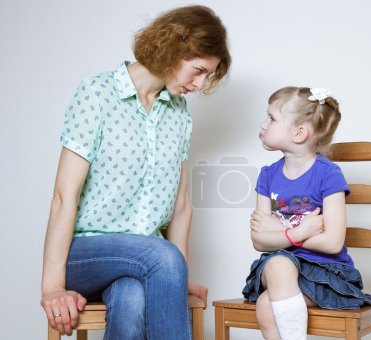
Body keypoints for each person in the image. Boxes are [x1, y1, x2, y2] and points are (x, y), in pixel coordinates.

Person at [40, 5, 231, 339]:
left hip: (149, 261)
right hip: (86, 254)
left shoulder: (178, 112)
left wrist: (174, 275)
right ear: (174, 47)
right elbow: (62, 197)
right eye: (198, 70)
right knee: (162, 256)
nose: (200, 84)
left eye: (208, 76)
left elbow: (181, 205)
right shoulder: (96, 94)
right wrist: (52, 287)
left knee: (132, 299)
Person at [242, 87, 371, 340]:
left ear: (299, 133)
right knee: (278, 264)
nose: (264, 124)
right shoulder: (268, 175)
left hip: (325, 274)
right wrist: (301, 230)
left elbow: (332, 242)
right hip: (279, 271)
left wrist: (279, 230)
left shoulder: (328, 174)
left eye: (272, 118)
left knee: (265, 303)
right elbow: (259, 240)